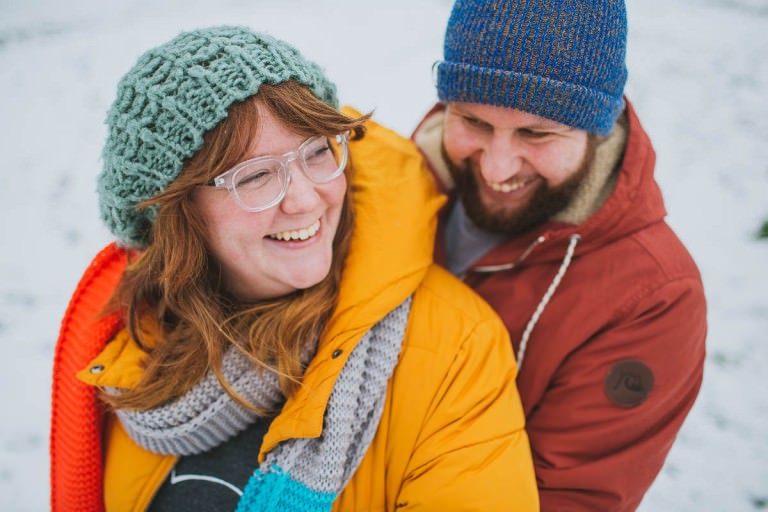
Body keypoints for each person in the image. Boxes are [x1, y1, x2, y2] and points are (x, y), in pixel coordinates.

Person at [49, 26, 539, 511]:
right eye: (257, 176)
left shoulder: (454, 347)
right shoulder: (133, 343)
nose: (307, 200)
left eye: (318, 151)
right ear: (178, 214)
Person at [413, 1, 707, 510]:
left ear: (598, 124)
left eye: (537, 132)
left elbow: (567, 498)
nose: (496, 168)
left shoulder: (653, 297)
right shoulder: (389, 186)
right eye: (474, 122)